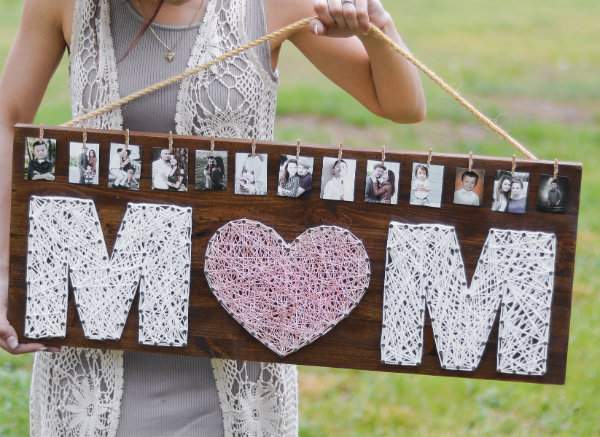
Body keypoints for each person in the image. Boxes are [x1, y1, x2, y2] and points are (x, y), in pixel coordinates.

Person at [0, 0, 426, 435]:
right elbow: (7, 118)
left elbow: (402, 103)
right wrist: (2, 272)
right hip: (101, 356)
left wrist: (376, 28)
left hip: (232, 345)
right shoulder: (63, 5)